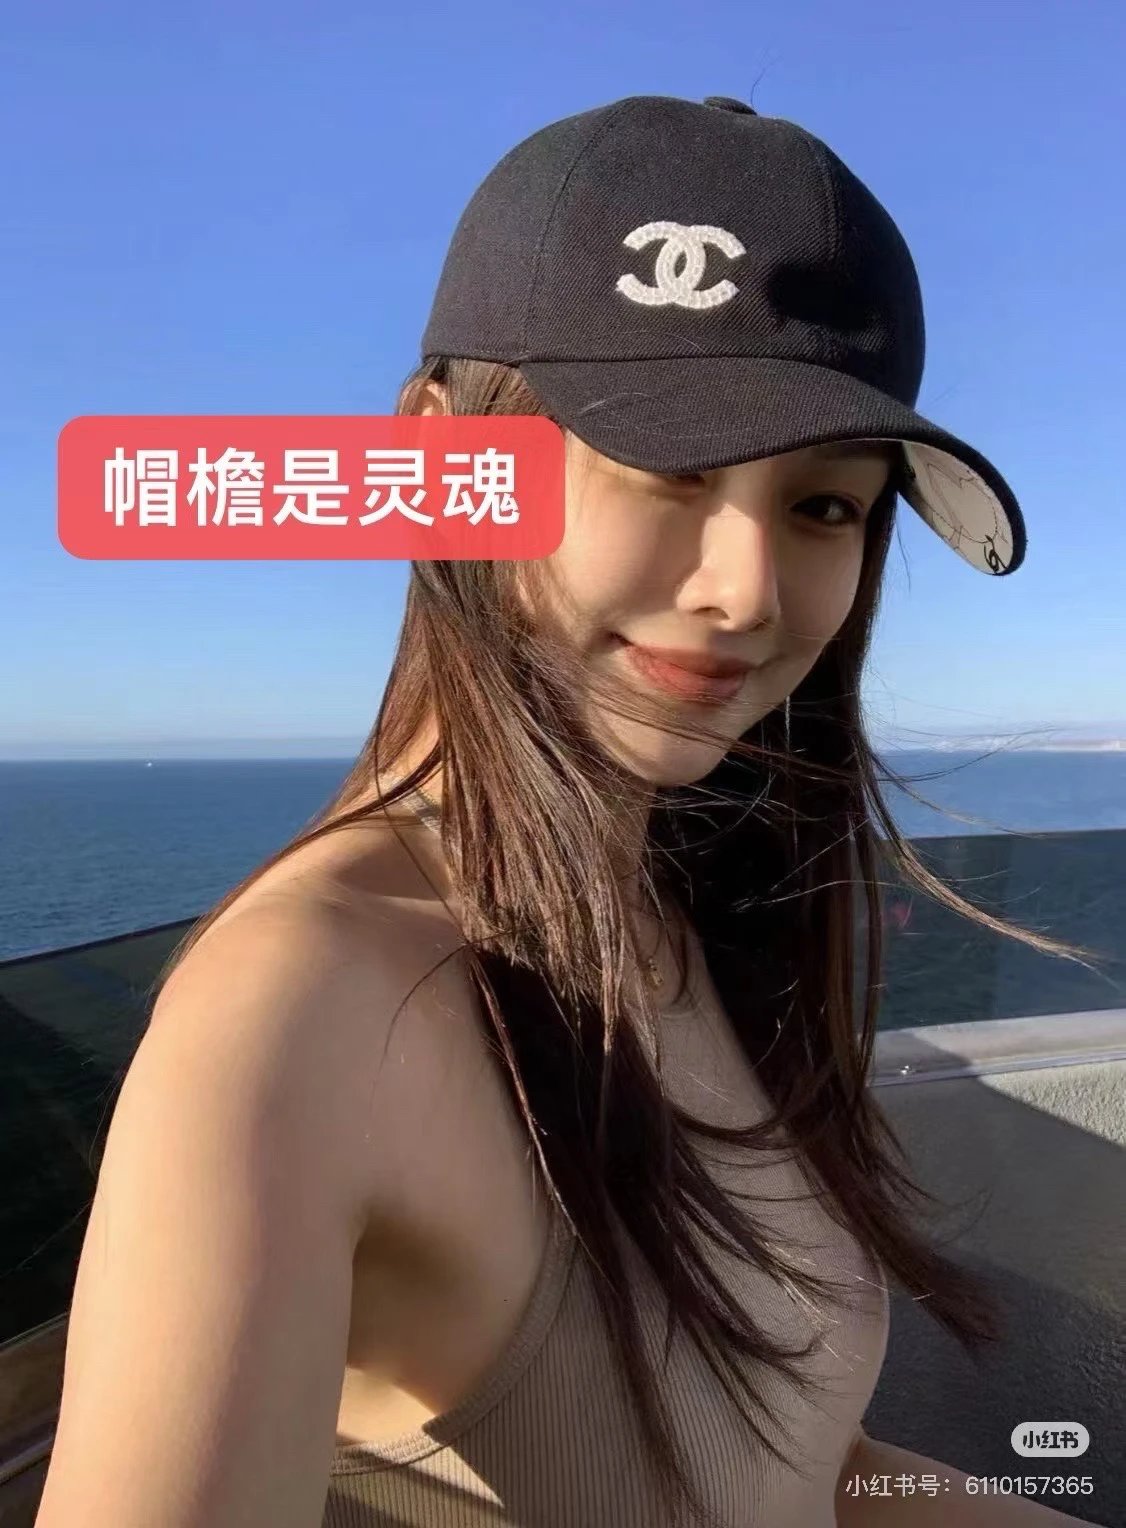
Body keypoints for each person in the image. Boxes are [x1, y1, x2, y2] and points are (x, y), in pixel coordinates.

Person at [34, 94, 1104, 1528]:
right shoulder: (307, 1004)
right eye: (667, 468)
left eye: (825, 507)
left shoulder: (695, 911)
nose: (745, 591)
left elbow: (800, 1471)